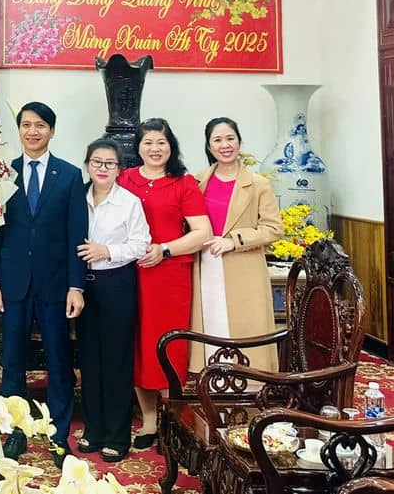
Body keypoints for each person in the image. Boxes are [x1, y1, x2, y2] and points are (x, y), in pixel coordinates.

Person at [0, 101, 88, 468]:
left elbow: (78, 234)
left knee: (59, 363)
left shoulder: (70, 175)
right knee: (12, 363)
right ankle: (16, 432)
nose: (32, 131)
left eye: (40, 125)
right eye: (26, 125)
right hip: (13, 285)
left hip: (56, 286)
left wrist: (77, 286)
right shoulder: (3, 175)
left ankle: (59, 435)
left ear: (52, 131)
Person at [117, 118, 212, 449]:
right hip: (129, 272)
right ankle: (149, 420)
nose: (155, 149)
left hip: (168, 275)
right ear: (138, 147)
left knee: (167, 346)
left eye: (161, 142)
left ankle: (173, 420)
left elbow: (203, 233)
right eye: (148, 142)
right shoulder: (124, 179)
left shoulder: (183, 183)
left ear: (170, 146)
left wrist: (165, 249)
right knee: (136, 344)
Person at [75, 138, 151, 463]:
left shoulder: (129, 202)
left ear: (120, 169)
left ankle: (118, 436)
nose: (103, 168)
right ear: (88, 165)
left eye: (110, 163)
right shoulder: (77, 198)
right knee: (89, 361)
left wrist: (107, 251)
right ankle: (93, 429)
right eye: (97, 162)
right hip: (81, 286)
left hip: (116, 283)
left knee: (117, 362)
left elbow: (141, 244)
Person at [190, 118, 283, 373]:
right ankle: (211, 382)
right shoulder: (197, 181)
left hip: (243, 267)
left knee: (246, 326)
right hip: (205, 264)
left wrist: (234, 241)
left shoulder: (258, 184)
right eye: (217, 140)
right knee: (210, 324)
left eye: (230, 138)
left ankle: (250, 383)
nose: (225, 145)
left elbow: (274, 228)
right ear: (209, 147)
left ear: (239, 142)